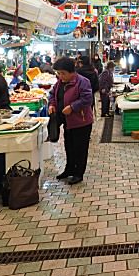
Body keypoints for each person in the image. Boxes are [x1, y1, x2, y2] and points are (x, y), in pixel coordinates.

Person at [48, 57, 93, 185]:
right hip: (67, 122)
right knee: (69, 147)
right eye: (58, 73)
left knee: (80, 149)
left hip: (81, 122)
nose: (60, 76)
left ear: (72, 72)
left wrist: (73, 107)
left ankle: (78, 173)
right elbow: (52, 95)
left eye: (63, 73)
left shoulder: (82, 82)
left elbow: (87, 99)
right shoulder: (59, 83)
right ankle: (69, 170)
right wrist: (52, 105)